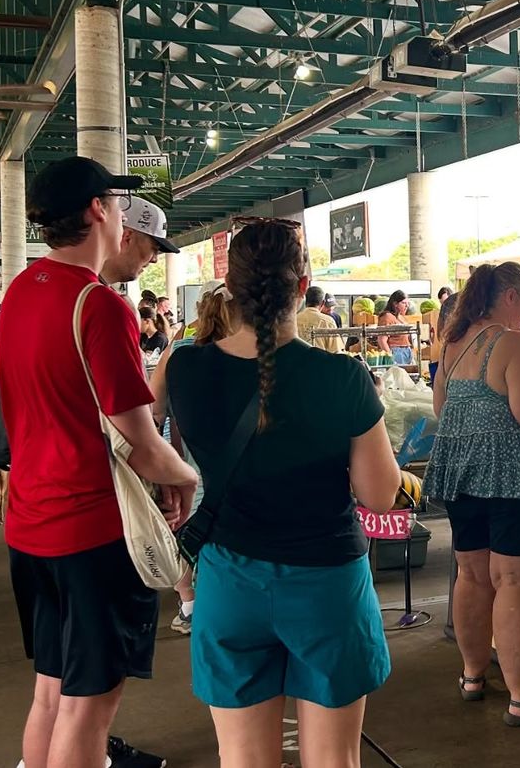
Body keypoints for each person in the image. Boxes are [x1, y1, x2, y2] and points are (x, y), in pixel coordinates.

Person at [166, 217, 400, 768]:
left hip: (227, 580)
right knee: (333, 758)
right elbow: (381, 495)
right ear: (302, 287)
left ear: (229, 287)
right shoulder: (342, 376)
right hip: (326, 583)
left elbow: (132, 431)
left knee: (243, 759)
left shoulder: (185, 366)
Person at [0, 156, 198, 768]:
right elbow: (139, 439)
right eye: (115, 203)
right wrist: (187, 476)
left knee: (51, 690)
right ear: (98, 211)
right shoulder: (100, 305)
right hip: (89, 530)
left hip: (30, 525)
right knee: (90, 704)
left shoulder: (20, 292)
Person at [425, 262, 520, 726]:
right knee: (512, 582)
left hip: (462, 472)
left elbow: (440, 407)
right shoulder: (513, 342)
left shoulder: (453, 343)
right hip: (515, 475)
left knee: (470, 574)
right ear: (508, 296)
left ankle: (472, 675)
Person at [149, 278, 238, 636]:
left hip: (182, 454)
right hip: (230, 457)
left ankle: (190, 604)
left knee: (182, 530)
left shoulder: (179, 350)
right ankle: (223, 600)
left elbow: (154, 407)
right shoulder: (246, 351)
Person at [101, 198, 180, 287]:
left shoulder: (88, 287)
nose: (154, 260)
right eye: (154, 249)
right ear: (127, 238)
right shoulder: (96, 295)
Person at [297, 286, 343, 353]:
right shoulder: (328, 321)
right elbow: (336, 351)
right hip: (321, 362)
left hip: (297, 362)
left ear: (306, 301)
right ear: (323, 303)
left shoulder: (294, 320)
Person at [378, 290, 414, 366]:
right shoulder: (387, 317)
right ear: (395, 304)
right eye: (403, 303)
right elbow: (382, 340)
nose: (407, 306)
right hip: (396, 352)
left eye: (408, 303)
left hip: (407, 351)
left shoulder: (401, 317)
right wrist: (390, 357)